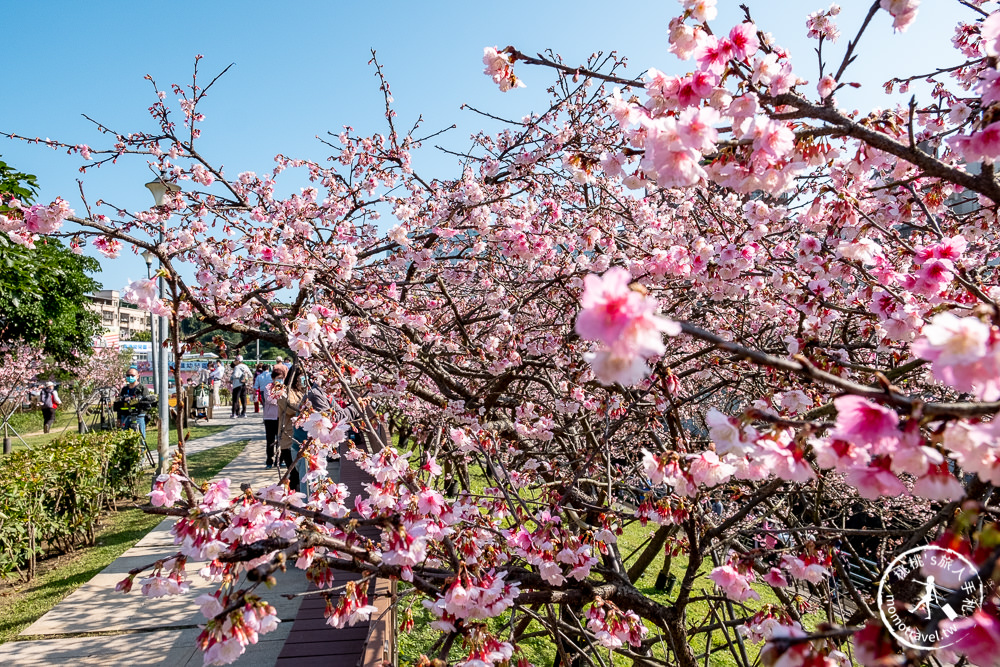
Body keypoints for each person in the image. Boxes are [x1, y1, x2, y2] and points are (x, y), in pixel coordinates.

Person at [115, 366, 154, 440]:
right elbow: (120, 404)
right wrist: (119, 418)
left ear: (137, 376)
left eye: (132, 375)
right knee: (125, 438)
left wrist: (134, 400)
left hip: (138, 415)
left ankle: (142, 451)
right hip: (125, 416)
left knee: (140, 438)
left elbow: (146, 402)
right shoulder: (124, 389)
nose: (130, 377)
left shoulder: (142, 388)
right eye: (128, 375)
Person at [262, 365, 284, 468]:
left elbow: (285, 400)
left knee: (281, 439)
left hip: (280, 416)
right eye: (278, 378)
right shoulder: (268, 387)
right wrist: (277, 397)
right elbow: (269, 399)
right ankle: (269, 461)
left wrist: (278, 398)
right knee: (270, 440)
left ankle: (279, 460)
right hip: (270, 417)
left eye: (281, 378)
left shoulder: (284, 388)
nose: (280, 380)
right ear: (273, 378)